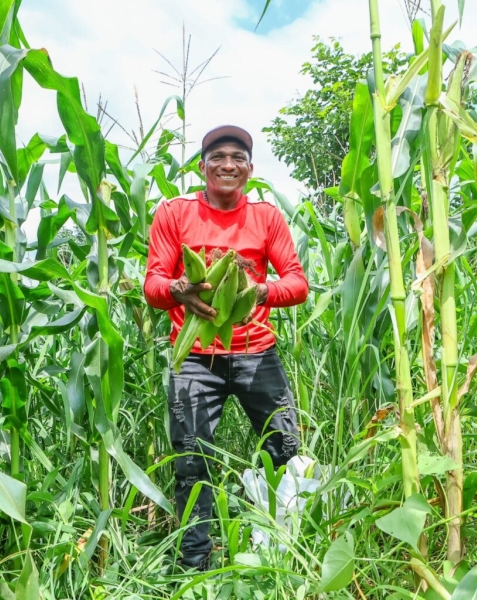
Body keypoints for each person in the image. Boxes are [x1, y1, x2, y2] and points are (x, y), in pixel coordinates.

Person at [143, 125, 309, 570]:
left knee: (286, 450)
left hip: (257, 352)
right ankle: (193, 566)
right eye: (217, 156)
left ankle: (280, 549)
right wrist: (178, 290)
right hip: (195, 360)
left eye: (238, 157)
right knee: (191, 461)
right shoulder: (175, 213)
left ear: (250, 170)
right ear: (202, 167)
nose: (228, 164)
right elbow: (153, 284)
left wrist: (257, 291)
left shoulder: (266, 218)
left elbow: (297, 283)